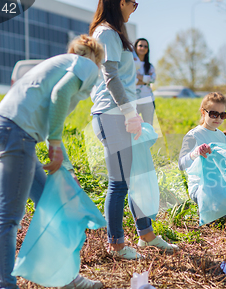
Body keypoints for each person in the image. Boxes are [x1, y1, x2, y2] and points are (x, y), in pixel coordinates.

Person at [0, 35, 105, 289]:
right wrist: (55, 142)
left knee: (53, 205)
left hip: (4, 130)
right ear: (93, 58)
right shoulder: (85, 65)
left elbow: (45, 112)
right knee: (8, 218)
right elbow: (60, 96)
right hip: (16, 135)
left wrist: (65, 165)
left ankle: (65, 276)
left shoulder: (57, 62)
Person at [89, 0, 178, 260]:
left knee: (136, 176)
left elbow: (124, 81)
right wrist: (129, 112)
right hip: (111, 115)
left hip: (123, 113)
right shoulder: (105, 32)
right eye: (134, 3)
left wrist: (133, 113)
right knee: (119, 183)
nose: (135, 8)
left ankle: (146, 235)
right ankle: (116, 245)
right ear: (120, 2)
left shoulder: (115, 33)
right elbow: (111, 77)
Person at [178, 92, 226, 228]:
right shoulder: (194, 135)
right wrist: (195, 153)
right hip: (201, 187)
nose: (218, 118)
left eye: (223, 115)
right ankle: (210, 210)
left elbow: (225, 166)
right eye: (214, 114)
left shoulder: (223, 137)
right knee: (220, 212)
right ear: (203, 112)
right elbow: (181, 164)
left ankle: (218, 210)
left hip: (222, 186)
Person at [134, 38, 157, 125]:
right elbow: (130, 80)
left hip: (148, 99)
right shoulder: (131, 64)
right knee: (133, 126)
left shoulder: (149, 66)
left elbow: (152, 79)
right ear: (136, 47)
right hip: (134, 100)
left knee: (148, 125)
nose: (143, 48)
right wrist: (145, 80)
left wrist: (138, 77)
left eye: (145, 46)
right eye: (140, 46)